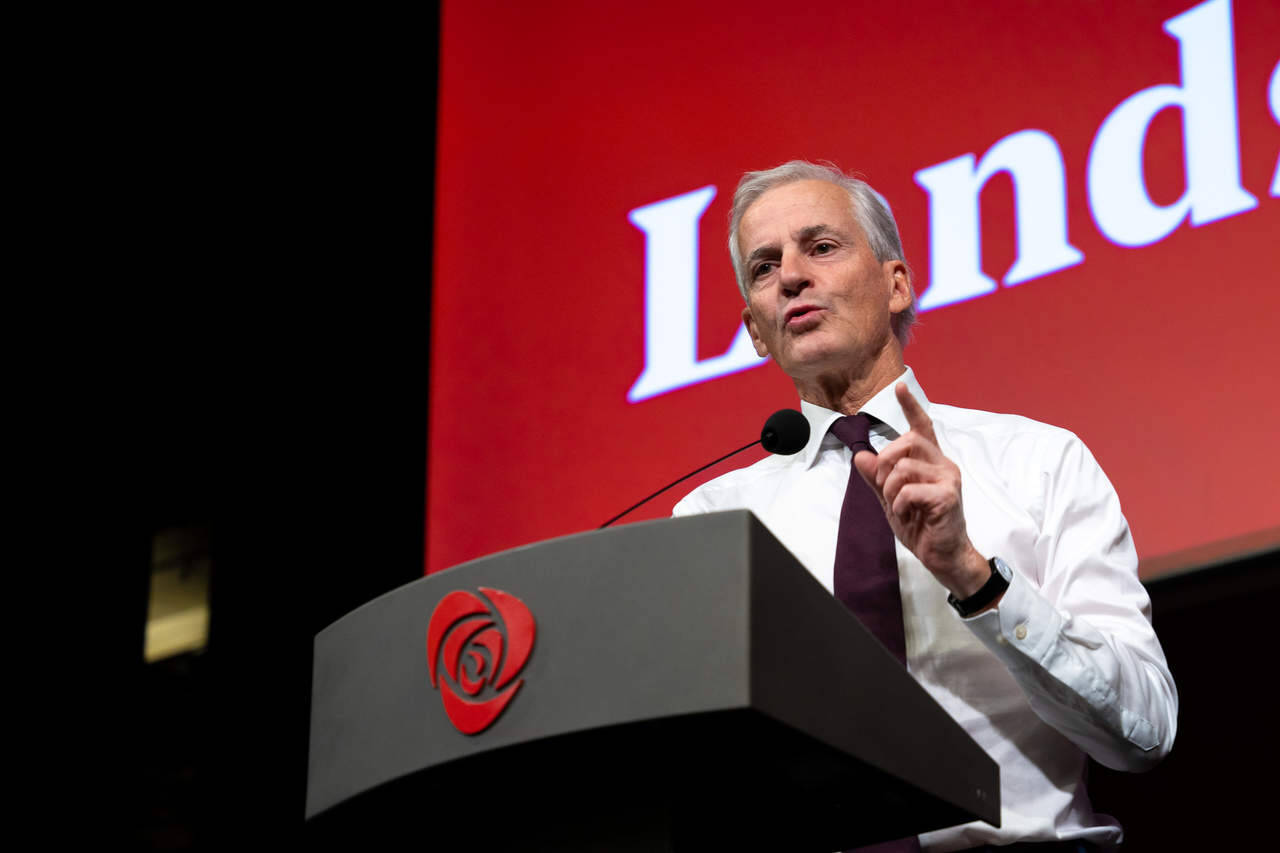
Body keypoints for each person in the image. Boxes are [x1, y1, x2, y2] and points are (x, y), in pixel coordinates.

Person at [672, 161, 1177, 851]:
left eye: (820, 247)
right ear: (757, 332)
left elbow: (1142, 729)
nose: (790, 275)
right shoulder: (712, 519)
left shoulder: (1038, 460)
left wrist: (974, 575)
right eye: (764, 267)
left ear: (896, 283)